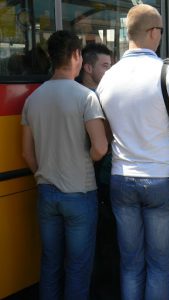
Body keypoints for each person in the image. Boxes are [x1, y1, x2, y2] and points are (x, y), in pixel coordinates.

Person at [97, 4, 169, 300]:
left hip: (120, 179)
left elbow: (105, 135)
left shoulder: (108, 77)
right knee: (160, 267)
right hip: (162, 181)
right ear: (154, 33)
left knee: (131, 266)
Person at [21, 30, 108, 300]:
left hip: (46, 193)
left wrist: (43, 174)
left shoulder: (32, 99)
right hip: (80, 194)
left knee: (50, 265)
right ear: (75, 56)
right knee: (78, 269)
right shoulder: (86, 97)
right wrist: (86, 160)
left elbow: (26, 153)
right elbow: (100, 147)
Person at [79, 42, 120, 300]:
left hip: (82, 181)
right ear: (87, 67)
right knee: (104, 244)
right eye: (105, 66)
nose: (110, 71)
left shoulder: (78, 93)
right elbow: (103, 144)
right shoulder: (94, 98)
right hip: (99, 180)